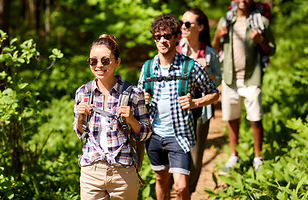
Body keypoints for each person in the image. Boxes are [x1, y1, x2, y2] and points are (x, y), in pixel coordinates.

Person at [138, 14, 219, 200]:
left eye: (167, 36)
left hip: (179, 135)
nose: (162, 40)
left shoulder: (190, 67)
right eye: (158, 37)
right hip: (155, 135)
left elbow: (214, 93)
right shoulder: (148, 68)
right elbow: (138, 97)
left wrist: (195, 103)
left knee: (181, 187)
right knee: (160, 179)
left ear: (176, 37)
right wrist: (142, 98)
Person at [73, 34, 152, 199]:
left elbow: (145, 133)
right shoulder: (82, 93)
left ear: (117, 62)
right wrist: (80, 118)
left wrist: (131, 119)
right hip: (91, 171)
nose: (99, 65)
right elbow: (80, 132)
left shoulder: (133, 94)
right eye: (93, 61)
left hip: (123, 172)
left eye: (105, 60)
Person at [212, 0, 276, 173]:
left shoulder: (261, 23)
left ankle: (258, 158)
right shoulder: (226, 21)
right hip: (230, 79)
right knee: (232, 118)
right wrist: (217, 35)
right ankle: (234, 156)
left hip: (251, 78)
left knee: (255, 118)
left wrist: (261, 40)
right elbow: (214, 49)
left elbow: (271, 50)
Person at [177, 8, 222, 192]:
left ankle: (188, 190)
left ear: (201, 27)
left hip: (201, 109)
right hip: (176, 108)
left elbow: (218, 80)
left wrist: (207, 71)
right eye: (182, 23)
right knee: (176, 153)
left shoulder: (210, 53)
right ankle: (176, 188)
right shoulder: (176, 49)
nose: (183, 27)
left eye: (188, 24)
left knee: (195, 157)